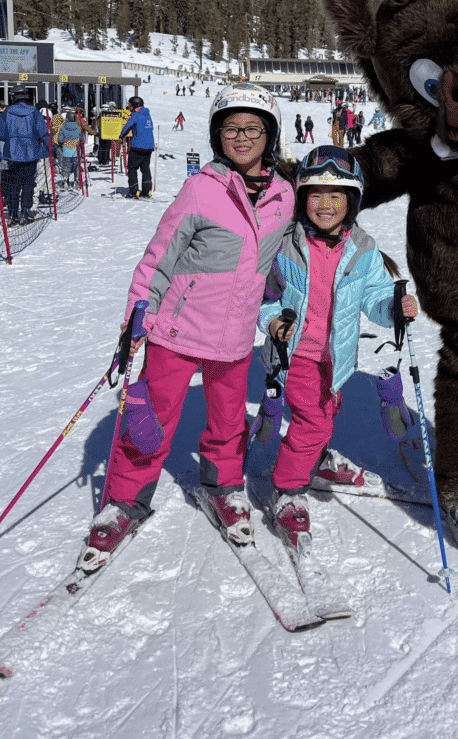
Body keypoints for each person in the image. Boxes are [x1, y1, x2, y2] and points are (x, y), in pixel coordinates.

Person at [77, 84, 295, 571]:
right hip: (175, 331)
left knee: (226, 421)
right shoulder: (203, 188)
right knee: (150, 421)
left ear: (270, 134)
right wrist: (138, 313)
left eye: (253, 128)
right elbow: (160, 257)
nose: (242, 137)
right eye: (231, 128)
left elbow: (296, 252)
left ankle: (223, 486)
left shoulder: (285, 196)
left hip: (235, 336)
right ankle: (124, 499)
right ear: (218, 135)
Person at [257, 146, 418, 548]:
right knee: (313, 420)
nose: (325, 205)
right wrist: (273, 320)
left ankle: (317, 460)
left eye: (335, 196)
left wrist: (393, 307)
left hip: (337, 356)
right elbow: (265, 296)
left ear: (352, 201)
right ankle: (288, 488)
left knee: (328, 408)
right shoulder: (286, 245)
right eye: (315, 195)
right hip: (294, 356)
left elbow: (376, 296)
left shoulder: (362, 250)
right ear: (302, 198)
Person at [0, 87, 49, 225]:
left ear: (14, 97)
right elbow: (42, 131)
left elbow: (0, 134)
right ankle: (25, 211)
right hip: (30, 153)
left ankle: (12, 214)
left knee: (12, 184)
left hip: (11, 154)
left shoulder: (7, 113)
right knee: (28, 184)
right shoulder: (34, 112)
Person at [119, 96, 155, 199]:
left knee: (132, 168)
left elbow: (127, 126)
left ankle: (133, 192)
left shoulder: (135, 115)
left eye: (130, 105)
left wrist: (121, 136)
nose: (129, 107)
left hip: (137, 146)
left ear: (135, 105)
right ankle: (147, 191)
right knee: (145, 169)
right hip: (148, 147)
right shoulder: (147, 114)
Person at [57, 111, 82, 188]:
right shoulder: (78, 128)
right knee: (76, 165)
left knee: (66, 165)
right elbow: (81, 139)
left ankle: (65, 180)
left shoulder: (63, 127)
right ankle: (76, 179)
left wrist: (61, 143)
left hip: (66, 149)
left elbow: (60, 139)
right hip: (76, 149)